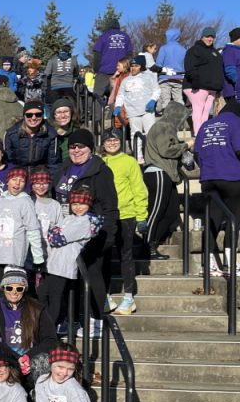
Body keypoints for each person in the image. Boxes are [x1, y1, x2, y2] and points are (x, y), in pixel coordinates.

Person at [53, 129, 119, 327]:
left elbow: (110, 206)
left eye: (81, 146)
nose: (76, 150)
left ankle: (97, 320)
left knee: (91, 276)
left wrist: (108, 235)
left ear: (90, 148)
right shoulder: (64, 168)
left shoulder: (100, 170)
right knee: (67, 277)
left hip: (92, 233)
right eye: (72, 146)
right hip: (66, 232)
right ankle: (70, 319)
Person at [40, 187, 102, 328]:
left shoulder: (85, 221)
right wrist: (54, 232)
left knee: (55, 296)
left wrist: (54, 232)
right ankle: (45, 327)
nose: (78, 207)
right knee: (44, 294)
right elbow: (54, 233)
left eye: (82, 204)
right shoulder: (70, 218)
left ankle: (49, 329)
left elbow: (57, 238)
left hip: (64, 265)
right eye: (74, 204)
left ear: (89, 205)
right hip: (53, 262)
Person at [101, 130, 148, 315]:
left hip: (126, 214)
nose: (112, 143)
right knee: (102, 256)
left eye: (115, 139)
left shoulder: (129, 161)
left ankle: (128, 297)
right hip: (104, 216)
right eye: (108, 140)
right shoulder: (100, 162)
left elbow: (139, 188)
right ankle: (105, 296)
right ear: (102, 143)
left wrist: (141, 215)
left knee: (125, 255)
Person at [0, 266, 58, 383]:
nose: (14, 292)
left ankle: (37, 394)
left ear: (24, 289)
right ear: (3, 288)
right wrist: (16, 358)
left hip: (31, 360)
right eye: (9, 288)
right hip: (6, 358)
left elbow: (50, 339)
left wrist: (28, 356)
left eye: (19, 289)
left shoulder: (37, 308)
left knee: (43, 361)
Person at [194, 101, 240, 275]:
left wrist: (209, 169)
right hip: (232, 177)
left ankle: (208, 263)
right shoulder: (236, 122)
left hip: (208, 179)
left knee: (212, 219)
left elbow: (197, 153)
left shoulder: (206, 125)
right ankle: (229, 263)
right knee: (234, 219)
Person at [143, 101, 191, 259]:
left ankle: (153, 242)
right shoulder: (164, 126)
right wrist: (186, 145)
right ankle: (147, 246)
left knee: (171, 213)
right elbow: (166, 150)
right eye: (182, 118)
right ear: (176, 115)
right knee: (156, 212)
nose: (183, 122)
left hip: (166, 174)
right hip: (158, 173)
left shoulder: (165, 127)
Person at [0, 167, 44, 289]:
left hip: (13, 255)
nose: (17, 183)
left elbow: (32, 229)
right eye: (14, 179)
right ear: (7, 181)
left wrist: (38, 256)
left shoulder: (25, 201)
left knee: (12, 289)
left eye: (22, 181)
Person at [184, 28, 224, 136]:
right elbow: (189, 66)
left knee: (206, 112)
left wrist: (220, 85)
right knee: (198, 109)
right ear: (202, 36)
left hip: (212, 87)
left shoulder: (215, 53)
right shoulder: (194, 50)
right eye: (207, 36)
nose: (210, 39)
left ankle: (204, 135)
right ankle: (198, 136)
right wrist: (195, 80)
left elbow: (220, 69)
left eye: (212, 37)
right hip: (196, 85)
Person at [4, 100, 58, 173]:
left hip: (40, 175)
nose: (33, 118)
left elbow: (53, 164)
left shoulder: (50, 134)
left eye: (38, 114)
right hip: (18, 174)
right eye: (29, 115)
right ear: (24, 116)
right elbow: (7, 162)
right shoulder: (11, 134)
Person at [114, 56, 159, 136]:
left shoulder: (149, 77)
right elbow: (121, 95)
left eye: (136, 66)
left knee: (151, 134)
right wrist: (118, 106)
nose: (133, 68)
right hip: (132, 113)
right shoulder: (126, 80)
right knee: (135, 135)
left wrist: (153, 100)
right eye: (132, 66)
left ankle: (149, 149)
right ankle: (137, 149)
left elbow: (156, 90)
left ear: (141, 67)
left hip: (147, 111)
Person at [92, 19, 132, 101]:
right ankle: (114, 113)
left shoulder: (104, 36)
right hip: (121, 72)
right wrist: (127, 69)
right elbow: (129, 55)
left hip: (103, 72)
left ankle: (97, 113)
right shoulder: (126, 37)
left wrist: (96, 69)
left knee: (97, 97)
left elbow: (97, 55)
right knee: (118, 97)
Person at [155, 28, 187, 111]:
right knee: (179, 99)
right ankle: (181, 116)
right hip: (179, 77)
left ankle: (167, 118)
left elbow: (159, 64)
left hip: (165, 77)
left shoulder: (164, 48)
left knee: (165, 101)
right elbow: (185, 65)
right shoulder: (183, 49)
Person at [223, 27, 240, 103]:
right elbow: (230, 70)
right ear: (237, 39)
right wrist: (238, 82)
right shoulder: (229, 50)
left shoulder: (237, 50)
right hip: (233, 91)